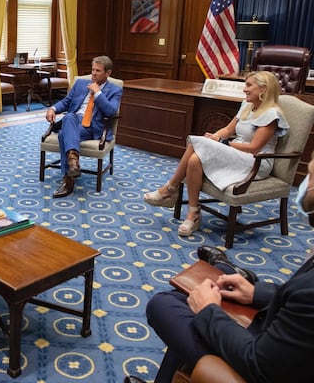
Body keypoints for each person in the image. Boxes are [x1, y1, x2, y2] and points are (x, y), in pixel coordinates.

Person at [124, 154, 314, 383]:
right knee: (186, 297)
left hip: (257, 360)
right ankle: (226, 268)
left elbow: (258, 364)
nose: (304, 185)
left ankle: (224, 266)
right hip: (281, 341)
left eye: (310, 177)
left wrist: (208, 312)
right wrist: (256, 293)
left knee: (164, 305)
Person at [143, 71, 289, 237]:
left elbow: (254, 148)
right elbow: (227, 130)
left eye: (249, 85)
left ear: (263, 88)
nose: (244, 90)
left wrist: (223, 143)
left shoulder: (271, 114)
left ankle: (169, 189)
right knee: (195, 159)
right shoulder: (247, 106)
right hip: (237, 152)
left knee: (196, 143)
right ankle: (193, 213)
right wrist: (216, 136)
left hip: (256, 161)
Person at [45, 55, 122, 198]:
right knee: (69, 117)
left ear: (108, 73)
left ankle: (69, 177)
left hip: (92, 126)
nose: (93, 73)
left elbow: (111, 111)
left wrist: (98, 92)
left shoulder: (115, 90)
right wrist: (53, 109)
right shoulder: (80, 83)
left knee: (63, 134)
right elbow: (66, 102)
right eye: (93, 70)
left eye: (98, 71)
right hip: (74, 121)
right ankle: (72, 165)